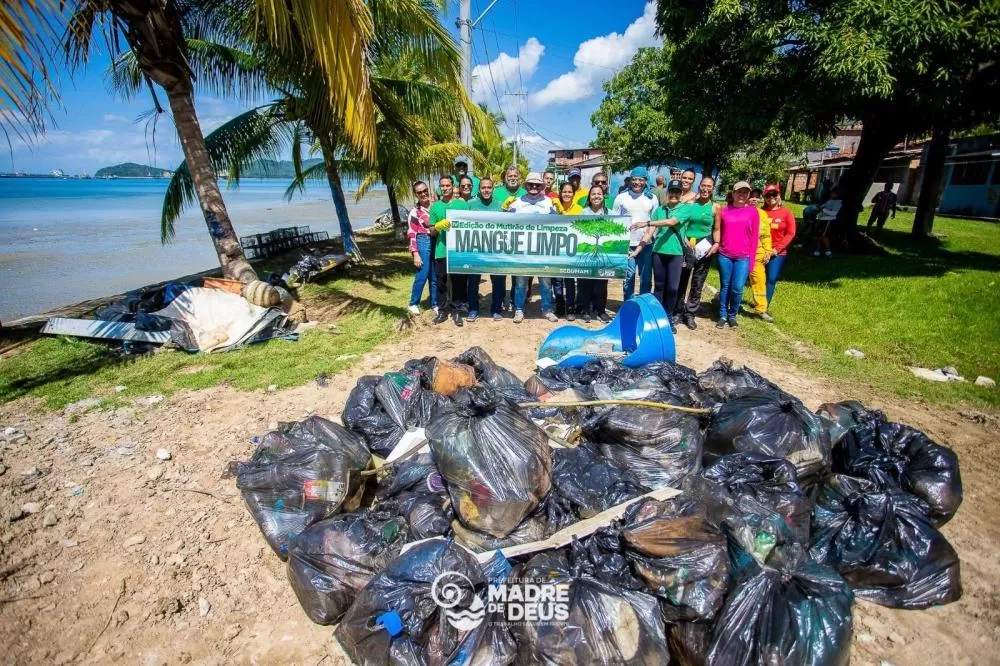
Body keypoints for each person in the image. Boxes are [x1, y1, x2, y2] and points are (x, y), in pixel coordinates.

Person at [662, 175, 719, 330]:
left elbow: (716, 228)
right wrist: (686, 243)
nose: (706, 189)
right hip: (687, 244)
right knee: (681, 279)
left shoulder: (715, 207)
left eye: (709, 186)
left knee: (698, 281)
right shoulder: (688, 204)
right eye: (703, 185)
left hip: (705, 246)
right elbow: (682, 225)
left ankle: (690, 314)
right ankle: (678, 312)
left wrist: (716, 244)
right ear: (699, 186)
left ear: (713, 188)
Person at [507, 172, 557, 323]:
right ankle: (519, 310)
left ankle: (547, 309)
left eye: (537, 185)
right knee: (520, 283)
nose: (534, 187)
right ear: (526, 186)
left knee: (546, 282)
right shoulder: (517, 203)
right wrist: (505, 210)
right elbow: (505, 223)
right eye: (531, 184)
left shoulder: (549, 202)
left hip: (544, 251)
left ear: (542, 186)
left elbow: (559, 224)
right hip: (522, 251)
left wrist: (558, 211)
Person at [713, 181, 759, 328]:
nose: (742, 195)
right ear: (733, 193)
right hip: (725, 255)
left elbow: (754, 238)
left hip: (743, 257)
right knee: (725, 285)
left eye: (745, 192)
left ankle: (733, 314)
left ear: (748, 195)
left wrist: (751, 262)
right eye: (739, 192)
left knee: (738, 287)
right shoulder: (724, 211)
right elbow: (717, 230)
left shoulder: (753, 212)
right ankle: (722, 315)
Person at [643, 179, 686, 332]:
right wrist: (639, 247)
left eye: (677, 191)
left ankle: (668, 317)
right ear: (667, 192)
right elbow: (650, 232)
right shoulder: (659, 210)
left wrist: (647, 223)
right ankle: (657, 317)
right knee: (659, 286)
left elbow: (672, 222)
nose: (674, 194)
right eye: (672, 191)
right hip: (659, 252)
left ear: (681, 194)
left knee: (673, 288)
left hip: (676, 253)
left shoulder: (684, 209)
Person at [429, 175, 470, 326]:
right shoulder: (435, 207)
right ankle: (443, 310)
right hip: (441, 250)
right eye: (442, 186)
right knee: (441, 282)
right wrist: (438, 226)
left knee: (459, 282)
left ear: (453, 186)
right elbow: (432, 231)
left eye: (448, 185)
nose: (445, 188)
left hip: (457, 250)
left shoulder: (463, 204)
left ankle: (458, 311)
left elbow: (469, 227)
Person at [615, 166, 658, 301]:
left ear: (646, 181)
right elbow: (615, 222)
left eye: (640, 180)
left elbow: (655, 222)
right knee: (629, 276)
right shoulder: (621, 198)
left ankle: (644, 304)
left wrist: (649, 236)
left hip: (647, 244)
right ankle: (628, 304)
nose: (637, 182)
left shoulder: (652, 198)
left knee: (645, 277)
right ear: (630, 180)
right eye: (634, 179)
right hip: (627, 244)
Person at [468, 177, 506, 321]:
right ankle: (473, 309)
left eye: (489, 187)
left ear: (493, 189)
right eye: (483, 187)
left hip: (496, 251)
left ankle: (496, 309)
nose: (486, 190)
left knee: (499, 281)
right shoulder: (470, 205)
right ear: (479, 189)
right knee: (473, 281)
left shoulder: (500, 206)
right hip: (475, 250)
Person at [577, 186, 612, 323]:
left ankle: (601, 311)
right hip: (587, 252)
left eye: (599, 194)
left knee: (602, 284)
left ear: (603, 196)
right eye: (593, 194)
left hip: (603, 254)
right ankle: (585, 310)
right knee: (585, 283)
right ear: (589, 197)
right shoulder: (583, 213)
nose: (596, 196)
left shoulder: (611, 213)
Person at [762, 184, 796, 317]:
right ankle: (758, 301)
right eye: (768, 195)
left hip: (777, 252)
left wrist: (776, 250)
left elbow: (791, 233)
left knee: (771, 279)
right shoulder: (761, 212)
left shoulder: (786, 212)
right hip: (761, 250)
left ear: (779, 196)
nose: (771, 198)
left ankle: (764, 307)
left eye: (774, 194)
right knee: (757, 277)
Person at [406, 180, 437, 316]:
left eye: (425, 190)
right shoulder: (414, 212)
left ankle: (435, 303)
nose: (423, 194)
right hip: (422, 241)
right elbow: (412, 233)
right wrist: (415, 253)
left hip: (436, 241)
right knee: (422, 274)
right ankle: (413, 303)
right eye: (420, 192)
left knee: (434, 276)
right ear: (416, 194)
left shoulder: (436, 206)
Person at [553, 182, 582, 319]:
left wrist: (562, 213)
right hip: (556, 249)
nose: (567, 194)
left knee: (570, 280)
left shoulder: (579, 209)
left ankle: (570, 308)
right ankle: (559, 305)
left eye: (570, 192)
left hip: (571, 250)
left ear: (573, 194)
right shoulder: (554, 206)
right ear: (560, 192)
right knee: (557, 280)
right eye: (564, 191)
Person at [746, 188, 774, 321]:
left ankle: (761, 309)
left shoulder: (763, 214)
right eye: (752, 196)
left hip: (757, 254)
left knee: (759, 280)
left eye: (757, 197)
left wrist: (768, 251)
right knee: (735, 280)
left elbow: (766, 236)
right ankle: (722, 300)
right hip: (741, 252)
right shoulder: (740, 210)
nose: (754, 199)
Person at [814, 187, 842, 257]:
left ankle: (828, 251)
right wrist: (820, 207)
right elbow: (823, 206)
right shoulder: (829, 200)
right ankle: (818, 249)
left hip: (828, 220)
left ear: (837, 195)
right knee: (818, 235)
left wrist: (823, 209)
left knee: (824, 236)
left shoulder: (838, 202)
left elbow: (834, 213)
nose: (831, 195)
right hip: (822, 219)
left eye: (833, 194)